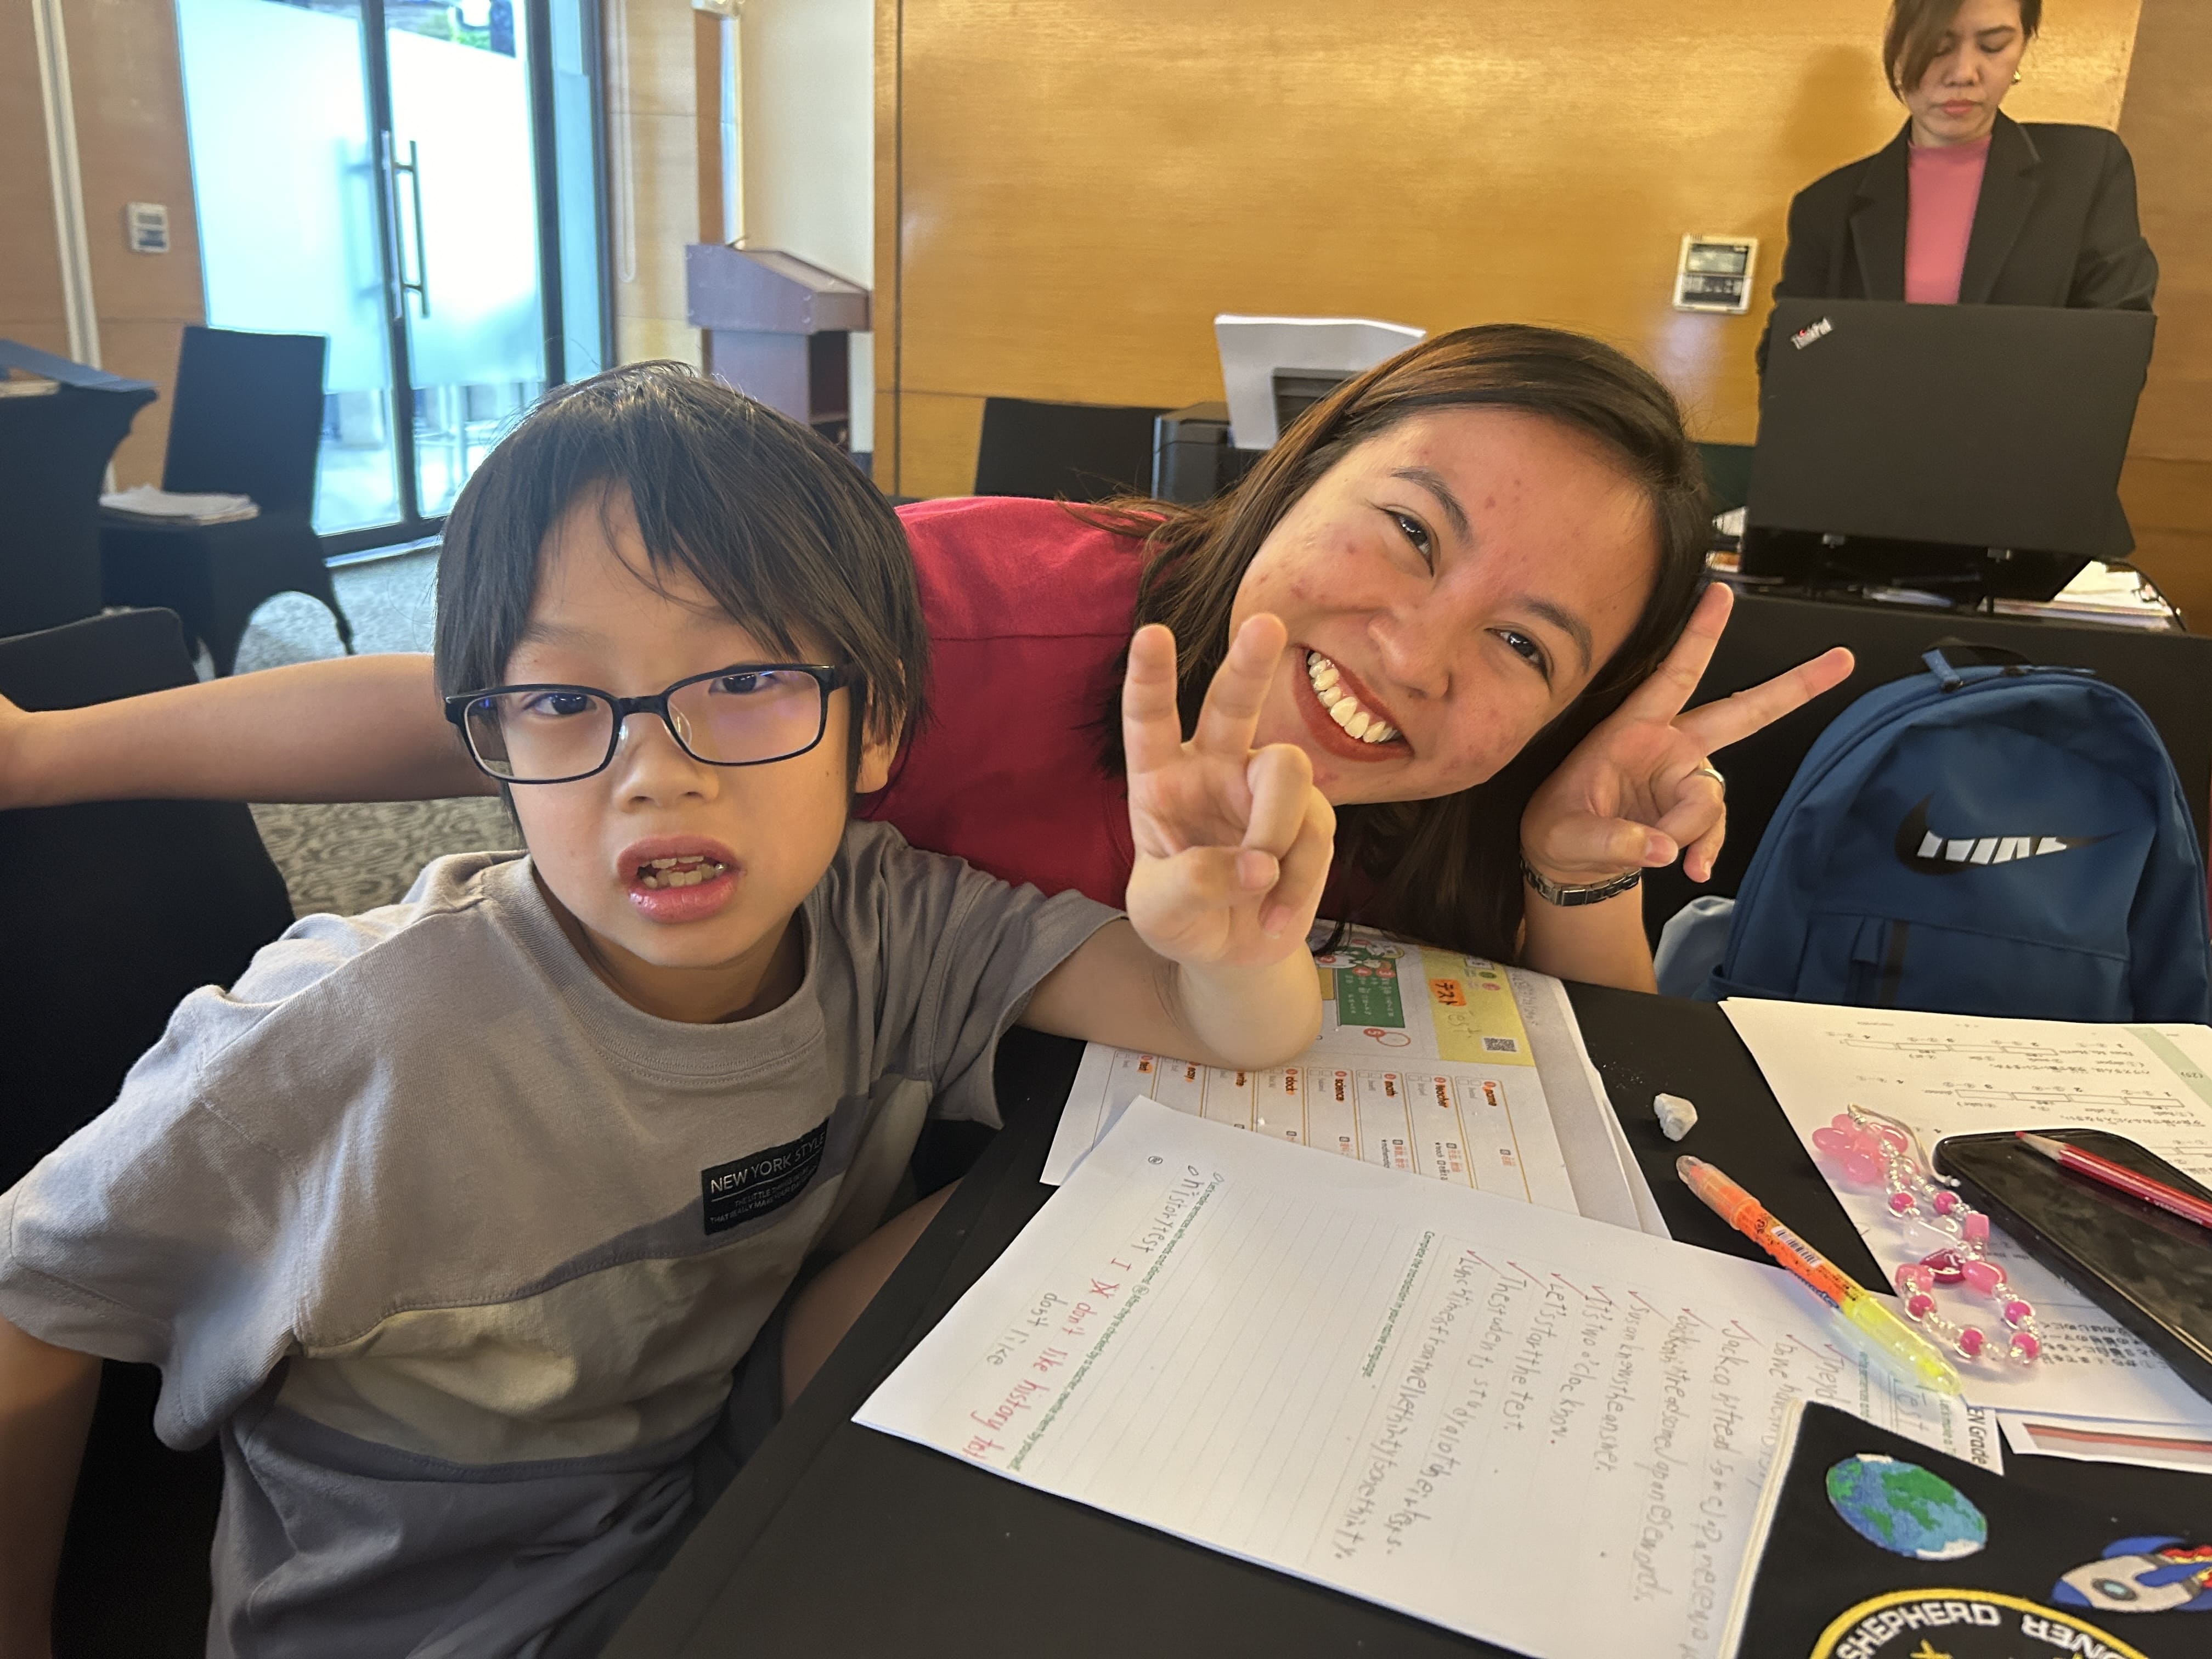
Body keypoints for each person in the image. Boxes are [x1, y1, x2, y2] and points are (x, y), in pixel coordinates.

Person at [0, 368, 1334, 1655]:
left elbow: (1222, 1026)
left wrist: (1229, 945)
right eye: (563, 701)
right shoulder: (354, 1039)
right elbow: (29, 1290)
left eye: (744, 682)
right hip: (443, 1618)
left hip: (714, 1500)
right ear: (492, 740)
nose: (655, 772)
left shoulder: (890, 921)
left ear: (875, 727)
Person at [0, 326, 1851, 991]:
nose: (1419, 649)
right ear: (1300, 469)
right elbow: (520, 696)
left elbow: (1565, 1074)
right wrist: (46, 752)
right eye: (1412, 532)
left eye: (1525, 640)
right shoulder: (982, 608)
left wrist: (1572, 871)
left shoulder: (1489, 775)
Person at [1757, 0, 2157, 373]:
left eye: (1993, 46)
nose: (1964, 73)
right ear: (1898, 48)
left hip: (2029, 426)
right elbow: (1793, 346)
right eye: (1938, 48)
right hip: (1871, 425)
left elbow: (2115, 343)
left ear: (2023, 46)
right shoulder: (1826, 205)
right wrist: (1826, 331)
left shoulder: (2086, 170)